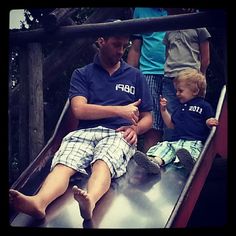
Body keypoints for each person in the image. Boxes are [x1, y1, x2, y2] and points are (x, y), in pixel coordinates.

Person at [9, 20, 153, 221]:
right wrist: (119, 110)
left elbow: (148, 117)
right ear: (101, 41)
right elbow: (79, 110)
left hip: (117, 133)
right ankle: (39, 202)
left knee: (104, 161)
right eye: (116, 45)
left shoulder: (135, 76)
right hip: (83, 133)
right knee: (64, 163)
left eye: (124, 46)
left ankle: (90, 201)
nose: (121, 51)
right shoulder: (83, 74)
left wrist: (136, 129)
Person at [133, 68, 219, 174]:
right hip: (176, 141)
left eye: (180, 90)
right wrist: (163, 110)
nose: (177, 94)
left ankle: (190, 163)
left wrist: (209, 122)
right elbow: (170, 124)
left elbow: (209, 121)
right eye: (176, 90)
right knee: (165, 147)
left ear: (195, 91)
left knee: (188, 150)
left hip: (193, 141)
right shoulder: (180, 108)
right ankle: (154, 162)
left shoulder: (204, 105)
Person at [162, 8, 211, 141]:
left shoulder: (198, 25)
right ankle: (169, 151)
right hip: (171, 77)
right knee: (170, 113)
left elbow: (205, 58)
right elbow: (167, 53)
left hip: (191, 78)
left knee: (194, 114)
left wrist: (201, 77)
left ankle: (193, 149)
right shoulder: (170, 27)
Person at [127, 8, 168, 152]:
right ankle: (150, 161)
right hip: (149, 71)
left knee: (176, 120)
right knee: (152, 123)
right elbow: (136, 47)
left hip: (176, 73)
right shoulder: (140, 10)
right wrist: (129, 77)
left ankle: (175, 163)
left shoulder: (180, 10)